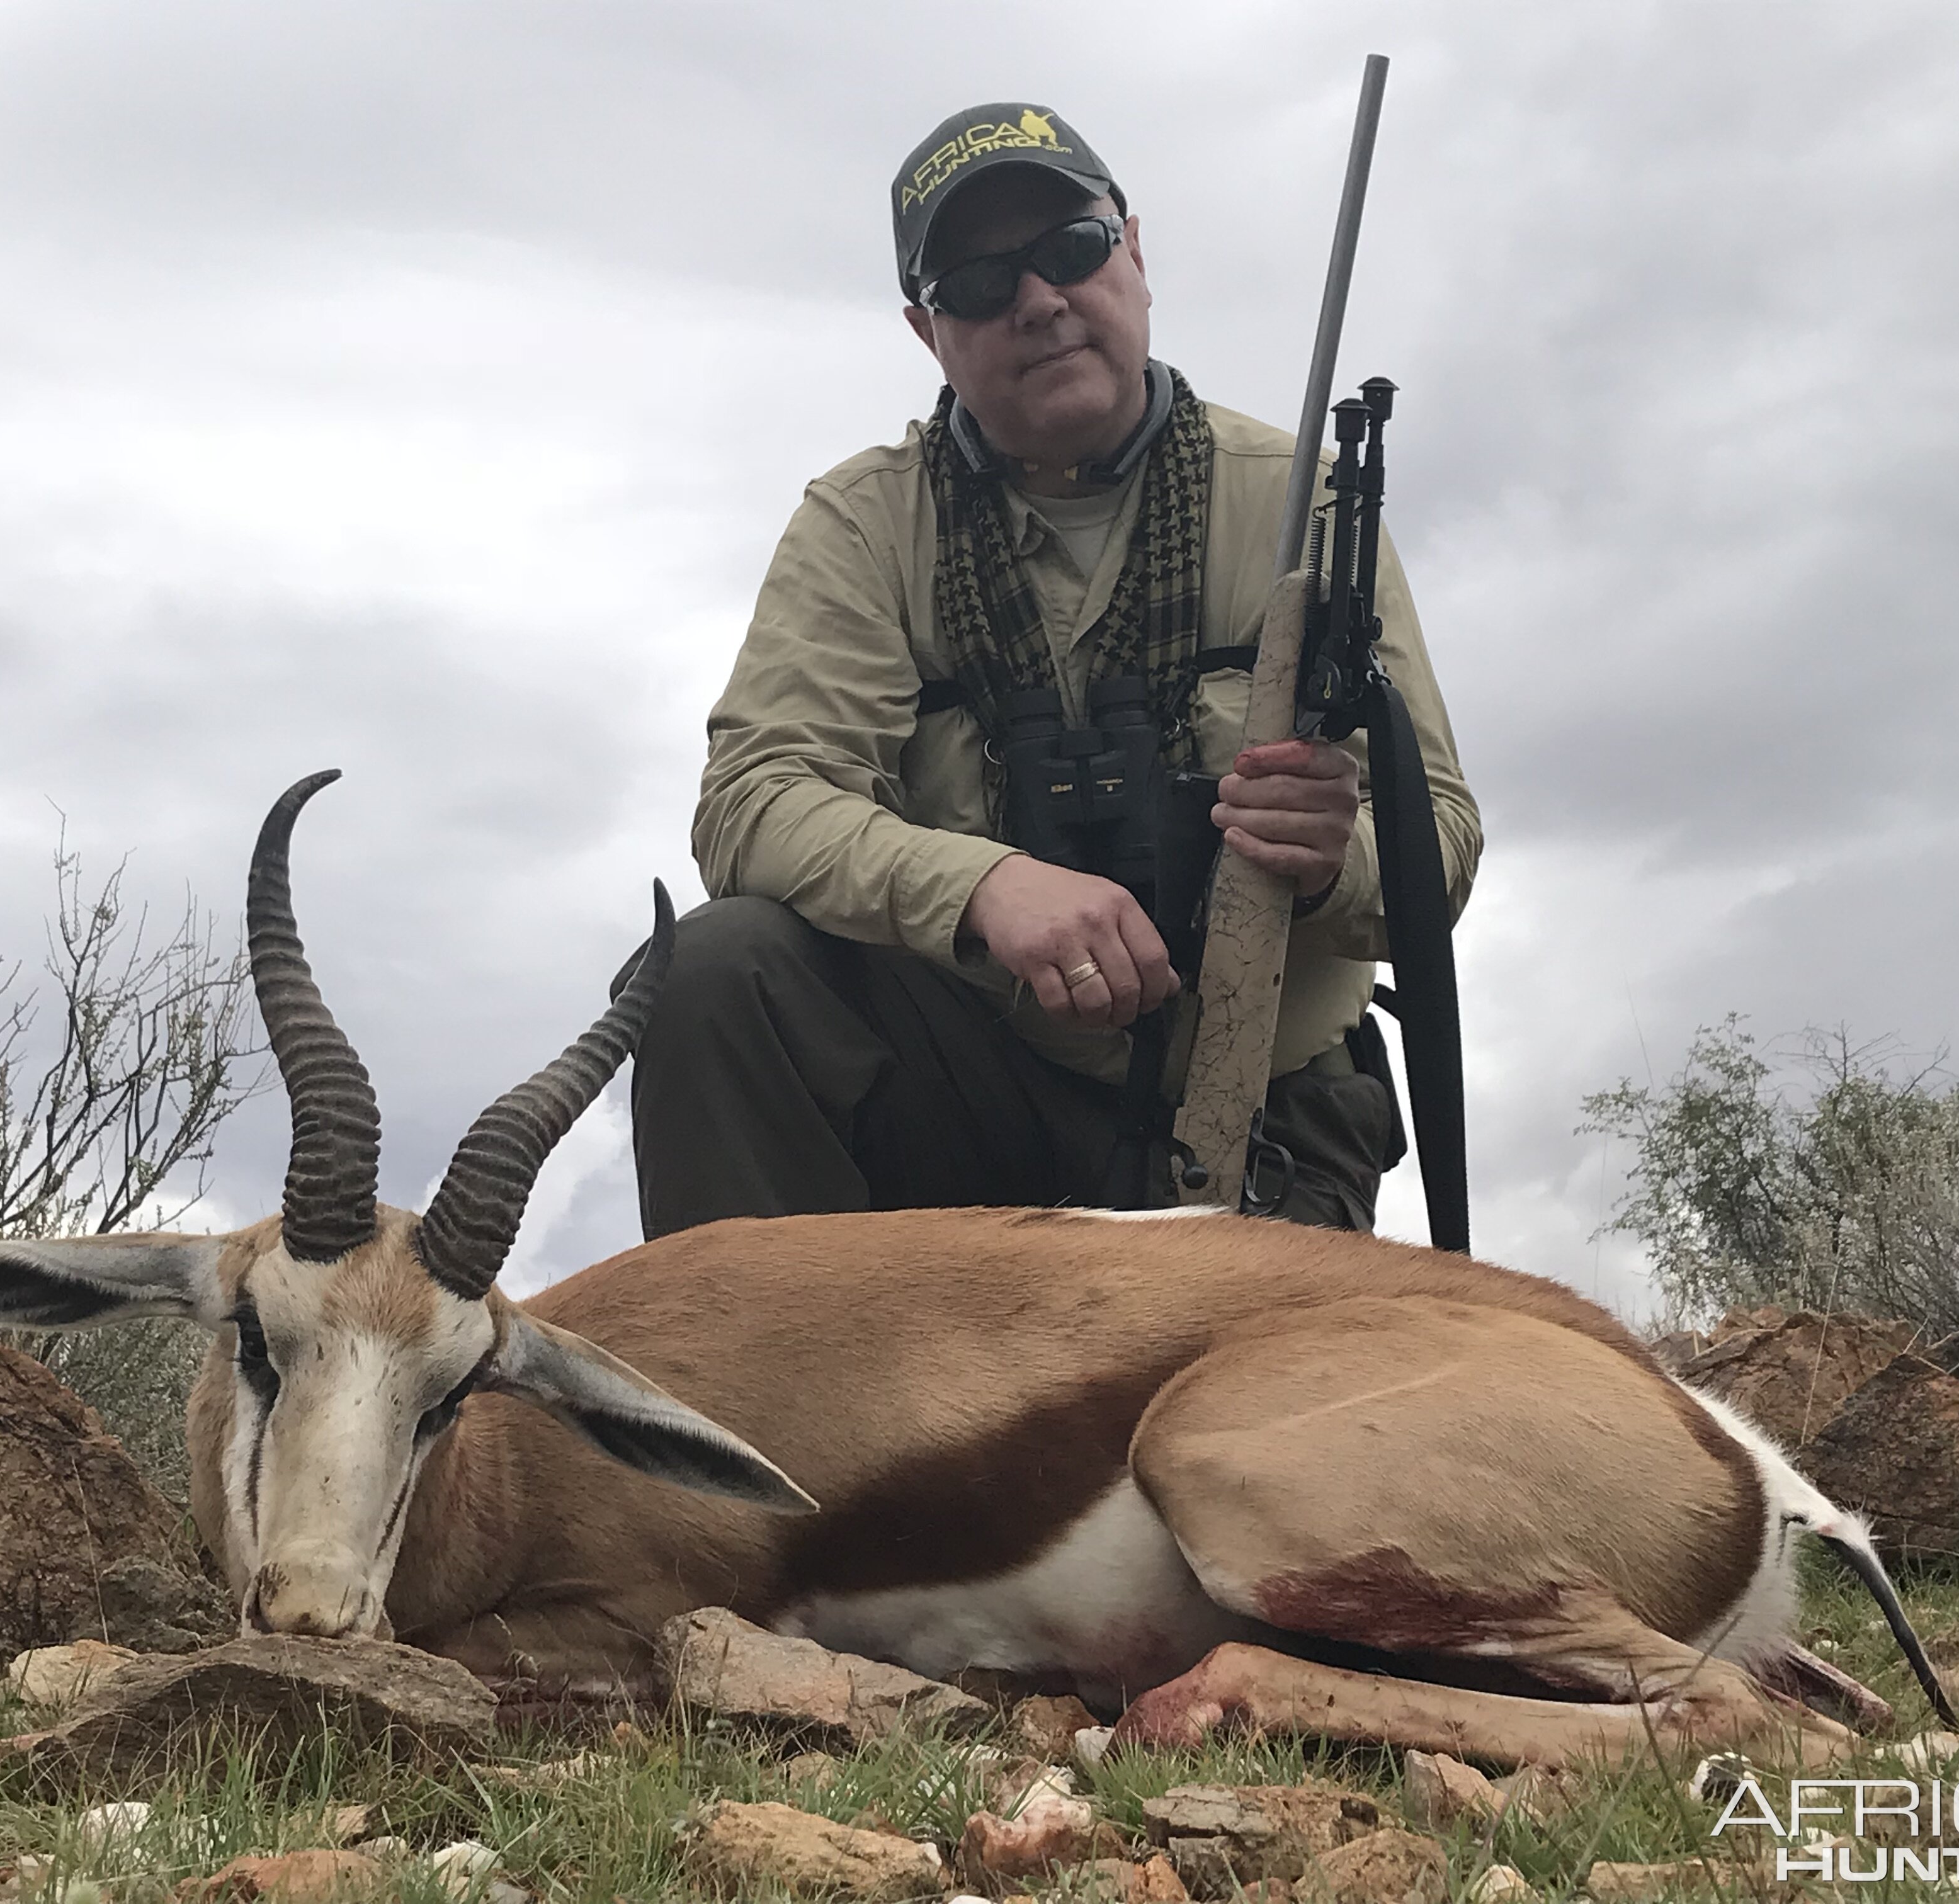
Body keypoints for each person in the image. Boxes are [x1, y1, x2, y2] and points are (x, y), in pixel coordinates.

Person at [629, 102, 1480, 1238]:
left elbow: (1448, 844)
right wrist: (983, 889)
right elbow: (751, 802)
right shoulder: (865, 524)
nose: (1037, 301)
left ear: (1133, 251)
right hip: (980, 1095)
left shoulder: (1307, 501)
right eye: (976, 285)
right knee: (711, 970)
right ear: (927, 333)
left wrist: (1330, 861)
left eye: (1070, 251)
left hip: (1259, 1112)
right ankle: (740, 1405)